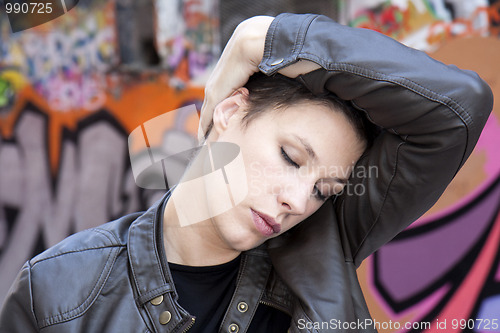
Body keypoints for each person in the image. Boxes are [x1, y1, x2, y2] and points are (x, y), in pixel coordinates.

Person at [0, 13, 493, 333]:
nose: (299, 202)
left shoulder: (326, 242)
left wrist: (267, 37)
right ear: (231, 111)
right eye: (291, 158)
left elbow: (459, 108)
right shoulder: (59, 292)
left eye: (324, 190)